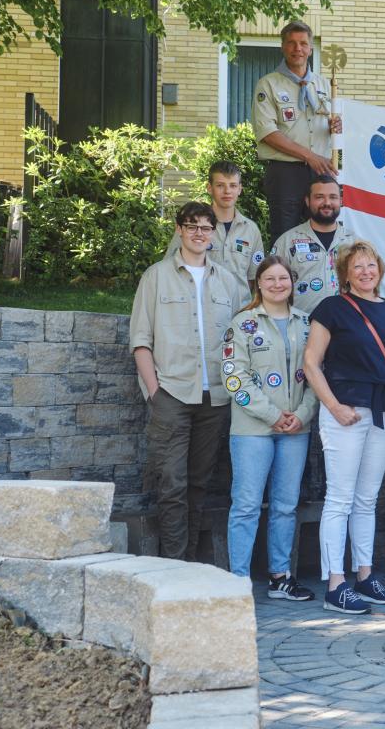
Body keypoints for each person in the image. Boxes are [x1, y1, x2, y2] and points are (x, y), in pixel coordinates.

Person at [305, 240, 385, 614]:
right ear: (346, 273)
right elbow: (311, 363)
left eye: (371, 265)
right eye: (358, 267)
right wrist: (334, 406)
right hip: (347, 411)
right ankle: (336, 583)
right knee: (339, 498)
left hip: (382, 411)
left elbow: (379, 364)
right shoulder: (331, 309)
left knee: (366, 499)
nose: (366, 272)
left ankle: (365, 575)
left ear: (379, 269)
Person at [131, 202, 248, 560]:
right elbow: (140, 339)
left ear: (213, 233)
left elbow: (241, 338)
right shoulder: (156, 276)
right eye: (191, 225)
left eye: (205, 227)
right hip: (172, 393)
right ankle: (174, 566)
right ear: (179, 230)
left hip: (215, 397)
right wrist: (155, 392)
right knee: (172, 484)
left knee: (200, 483)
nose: (199, 233)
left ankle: (192, 564)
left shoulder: (228, 282)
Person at [224, 255, 317, 601]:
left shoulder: (306, 324)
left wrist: (303, 414)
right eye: (270, 279)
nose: (278, 284)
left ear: (292, 283)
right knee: (246, 504)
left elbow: (316, 375)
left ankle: (280, 577)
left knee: (285, 505)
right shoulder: (243, 323)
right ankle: (238, 582)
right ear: (258, 284)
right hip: (253, 429)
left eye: (284, 279)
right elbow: (235, 376)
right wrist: (272, 414)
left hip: (295, 428)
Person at [253, 21, 342, 240]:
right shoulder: (268, 84)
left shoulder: (324, 85)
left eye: (303, 43)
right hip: (286, 173)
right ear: (283, 47)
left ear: (311, 48)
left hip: (321, 172)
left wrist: (337, 127)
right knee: (285, 236)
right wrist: (309, 156)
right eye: (291, 43)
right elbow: (267, 132)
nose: (297, 49)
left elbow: (332, 124)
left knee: (323, 232)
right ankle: (284, 276)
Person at [166, 160, 265, 292]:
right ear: (209, 188)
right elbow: (171, 266)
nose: (227, 191)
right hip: (203, 307)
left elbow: (254, 278)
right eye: (220, 185)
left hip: (239, 309)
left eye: (233, 186)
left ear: (240, 189)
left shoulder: (251, 230)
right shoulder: (193, 226)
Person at [269, 176, 353, 317]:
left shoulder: (354, 243)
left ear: (341, 201)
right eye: (319, 197)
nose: (327, 203)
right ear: (308, 201)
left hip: (345, 328)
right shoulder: (287, 241)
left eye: (333, 197)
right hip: (300, 329)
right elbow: (270, 287)